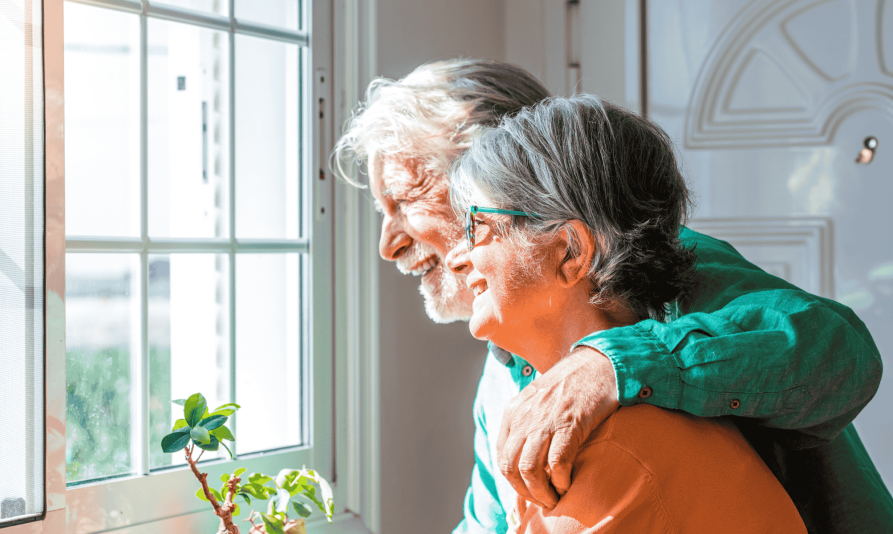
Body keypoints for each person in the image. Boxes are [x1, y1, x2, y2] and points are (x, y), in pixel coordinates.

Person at [332, 58, 891, 533]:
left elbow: (842, 356)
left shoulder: (657, 265)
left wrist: (610, 364)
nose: (389, 242)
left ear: (508, 165)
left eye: (406, 199)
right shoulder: (501, 370)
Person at [443, 94, 806, 533]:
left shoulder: (614, 452)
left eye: (475, 227)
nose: (456, 259)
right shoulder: (559, 417)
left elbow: (838, 346)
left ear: (570, 252)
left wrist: (609, 364)